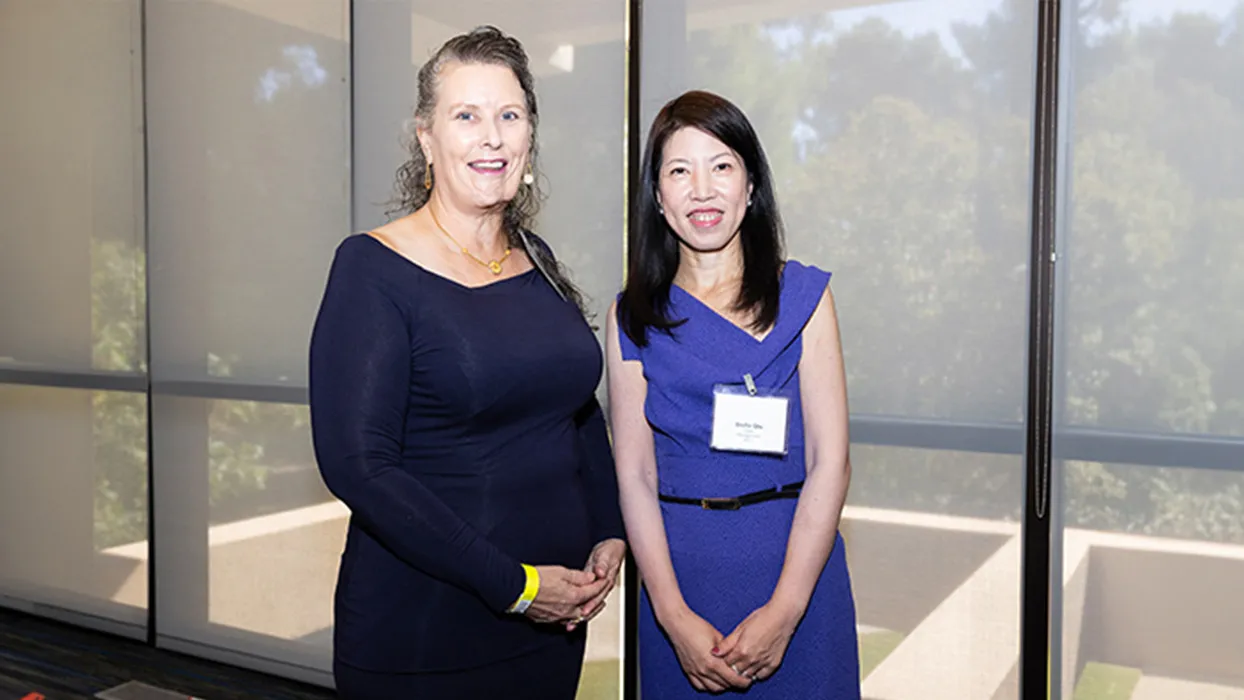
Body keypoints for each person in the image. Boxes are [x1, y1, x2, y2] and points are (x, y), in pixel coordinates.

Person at [308, 26, 626, 699]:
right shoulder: (372, 268)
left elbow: (574, 405)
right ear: (427, 138)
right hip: (425, 632)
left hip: (551, 628)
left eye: (509, 115)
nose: (492, 136)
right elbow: (357, 466)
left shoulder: (533, 256)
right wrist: (517, 586)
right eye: (466, 115)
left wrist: (608, 529)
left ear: (530, 137)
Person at [607, 90, 860, 698]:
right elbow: (635, 474)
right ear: (659, 199)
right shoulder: (631, 317)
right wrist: (670, 616)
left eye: (721, 166)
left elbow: (832, 462)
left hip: (798, 585)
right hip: (682, 590)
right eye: (679, 171)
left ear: (750, 186)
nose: (702, 189)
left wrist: (786, 611)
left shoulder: (805, 298)